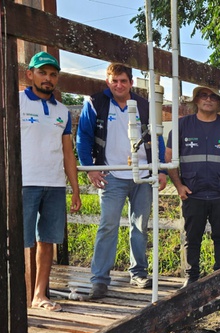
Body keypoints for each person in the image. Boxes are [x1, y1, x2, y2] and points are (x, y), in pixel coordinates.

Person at [76, 63, 167, 299]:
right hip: (112, 174)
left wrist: (160, 169)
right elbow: (83, 136)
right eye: (114, 81)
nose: (119, 85)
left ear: (131, 82)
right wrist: (90, 169)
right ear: (107, 82)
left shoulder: (144, 105)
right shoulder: (95, 102)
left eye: (123, 81)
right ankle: (99, 279)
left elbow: (157, 138)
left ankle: (138, 273)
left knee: (140, 226)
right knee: (108, 225)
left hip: (143, 173)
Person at [166, 86, 220, 286]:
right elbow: (168, 156)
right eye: (203, 95)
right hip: (192, 192)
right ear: (196, 100)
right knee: (192, 237)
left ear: (219, 102)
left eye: (213, 97)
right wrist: (179, 186)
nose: (208, 99)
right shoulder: (182, 125)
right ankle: (191, 278)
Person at [20, 51, 81, 312]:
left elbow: (68, 152)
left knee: (47, 241)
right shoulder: (17, 102)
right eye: (42, 72)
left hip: (55, 184)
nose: (48, 78)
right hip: (24, 181)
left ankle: (39, 295)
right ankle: (16, 295)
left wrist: (75, 189)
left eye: (53, 74)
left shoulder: (63, 111)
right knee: (20, 240)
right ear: (30, 74)